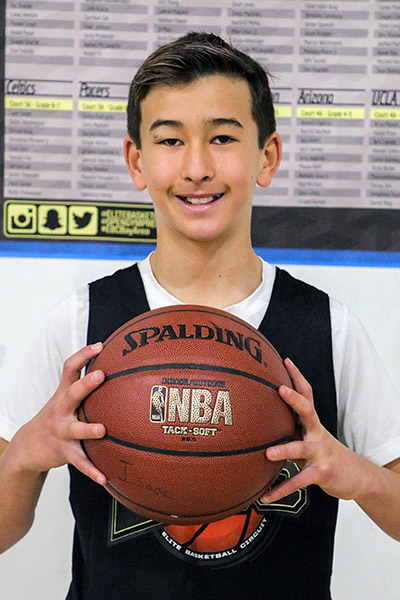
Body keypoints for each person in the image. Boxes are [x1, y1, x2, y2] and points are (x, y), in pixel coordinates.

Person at [1, 31, 400, 600]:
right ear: (137, 161)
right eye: (170, 140)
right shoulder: (81, 323)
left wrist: (358, 475)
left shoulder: (328, 328)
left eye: (222, 138)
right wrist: (22, 457)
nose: (196, 167)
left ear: (267, 157)